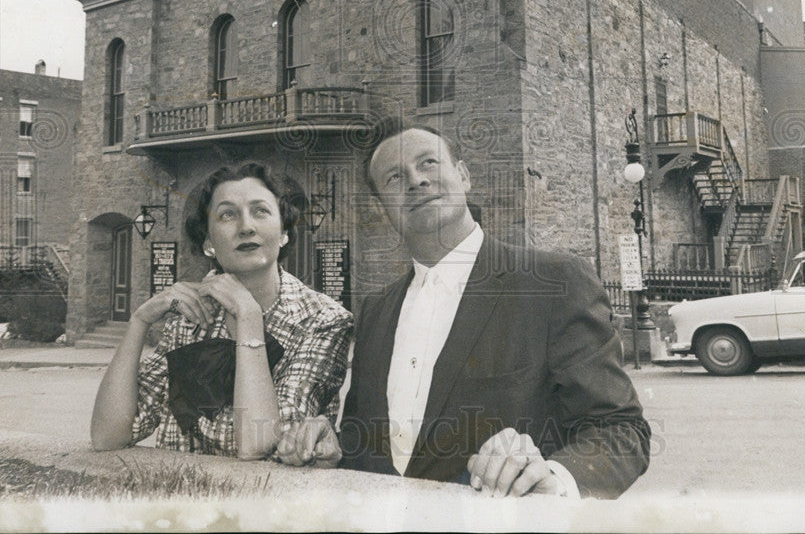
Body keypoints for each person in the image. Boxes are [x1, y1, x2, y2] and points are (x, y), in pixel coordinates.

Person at [279, 118, 650, 497]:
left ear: (464, 176)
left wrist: (554, 476)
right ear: (381, 209)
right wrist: (336, 446)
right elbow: (372, 443)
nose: (416, 180)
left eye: (428, 163)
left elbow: (620, 429)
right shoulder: (375, 311)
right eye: (394, 177)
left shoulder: (554, 282)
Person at [90, 162, 352, 461]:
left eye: (261, 211)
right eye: (227, 214)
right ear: (208, 243)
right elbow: (107, 436)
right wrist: (139, 321)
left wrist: (248, 315)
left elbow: (259, 444)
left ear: (284, 234)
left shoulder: (324, 320)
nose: (246, 227)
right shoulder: (189, 319)